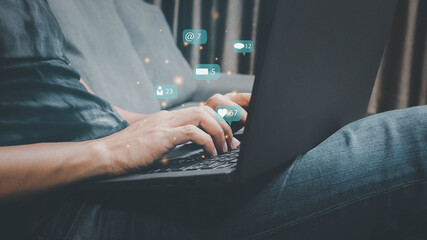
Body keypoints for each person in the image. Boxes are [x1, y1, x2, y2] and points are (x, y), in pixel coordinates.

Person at [0, 1, 426, 239]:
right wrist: (109, 151)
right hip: (66, 213)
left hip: (115, 180)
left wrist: (170, 122)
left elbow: (66, 100)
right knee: (415, 140)